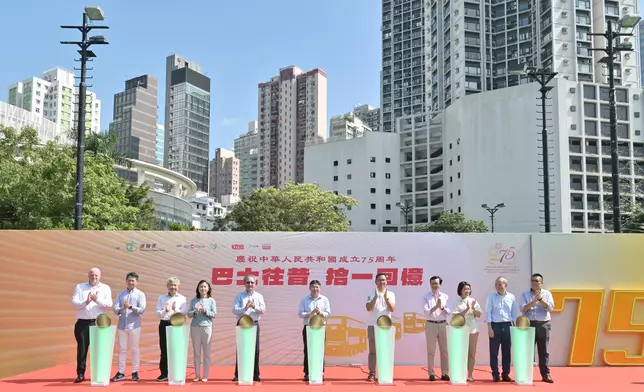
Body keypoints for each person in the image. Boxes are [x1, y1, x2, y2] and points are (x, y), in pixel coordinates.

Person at [71, 268, 113, 383]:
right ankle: (80, 374)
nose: (94, 277)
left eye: (96, 275)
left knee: (99, 349)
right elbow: (74, 302)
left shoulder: (105, 287)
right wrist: (86, 302)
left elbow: (109, 304)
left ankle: (99, 374)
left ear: (100, 276)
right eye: (92, 275)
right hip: (83, 322)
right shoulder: (80, 287)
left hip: (99, 322)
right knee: (82, 349)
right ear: (88, 275)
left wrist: (97, 300)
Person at [111, 272, 146, 382]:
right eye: (129, 280)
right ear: (126, 281)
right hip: (122, 325)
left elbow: (142, 309)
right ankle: (121, 372)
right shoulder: (121, 294)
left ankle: (135, 372)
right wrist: (123, 308)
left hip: (134, 326)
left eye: (133, 280)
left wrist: (130, 307)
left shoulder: (140, 294)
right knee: (122, 349)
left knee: (134, 348)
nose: (131, 282)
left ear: (137, 282)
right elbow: (115, 309)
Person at [520, 273, 554, 383]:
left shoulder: (547, 294)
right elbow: (523, 309)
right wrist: (534, 301)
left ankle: (545, 374)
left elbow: (550, 308)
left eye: (537, 281)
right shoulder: (525, 294)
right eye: (532, 280)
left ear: (541, 283)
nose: (534, 283)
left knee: (543, 351)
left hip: (543, 324)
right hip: (529, 324)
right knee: (528, 351)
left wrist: (541, 300)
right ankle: (525, 375)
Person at [232, 274, 266, 382]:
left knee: (255, 350)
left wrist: (254, 306)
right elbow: (235, 310)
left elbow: (263, 310)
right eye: (248, 282)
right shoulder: (239, 296)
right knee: (241, 349)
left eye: (252, 282)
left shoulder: (259, 296)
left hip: (254, 323)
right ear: (244, 283)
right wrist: (245, 307)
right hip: (242, 323)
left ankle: (255, 375)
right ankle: (238, 374)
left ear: (255, 283)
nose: (250, 284)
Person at [485, 276, 517, 382]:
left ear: (506, 285)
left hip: (507, 325)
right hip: (495, 325)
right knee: (494, 351)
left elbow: (513, 314)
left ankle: (505, 374)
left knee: (506, 351)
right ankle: (495, 374)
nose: (498, 286)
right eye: (496, 284)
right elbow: (488, 313)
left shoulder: (511, 297)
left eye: (500, 284)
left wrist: (515, 328)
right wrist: (490, 328)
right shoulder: (491, 297)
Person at [298, 280, 331, 381]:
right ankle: (307, 373)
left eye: (317, 287)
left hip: (320, 328)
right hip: (308, 327)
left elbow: (328, 313)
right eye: (313, 287)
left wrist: (321, 313)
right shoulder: (304, 299)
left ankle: (320, 372)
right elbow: (300, 314)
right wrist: (310, 313)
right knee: (308, 350)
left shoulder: (324, 299)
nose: (315, 289)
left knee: (319, 351)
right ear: (309, 288)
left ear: (320, 288)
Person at [155, 277, 187, 382]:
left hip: (177, 324)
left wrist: (175, 309)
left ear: (178, 286)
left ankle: (177, 373)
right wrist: (166, 310)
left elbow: (184, 314)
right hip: (164, 323)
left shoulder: (182, 298)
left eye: (175, 285)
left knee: (176, 349)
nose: (173, 287)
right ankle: (164, 373)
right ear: (167, 286)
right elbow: (157, 313)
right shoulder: (162, 298)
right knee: (164, 349)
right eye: (171, 285)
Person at [365, 272, 396, 382]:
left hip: (385, 326)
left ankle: (384, 372)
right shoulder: (370, 293)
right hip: (372, 325)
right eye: (379, 280)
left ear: (386, 282)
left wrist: (386, 298)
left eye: (383, 280)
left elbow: (392, 309)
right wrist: (375, 297)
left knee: (384, 350)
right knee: (373, 351)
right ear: (375, 282)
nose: (381, 282)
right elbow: (368, 308)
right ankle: (372, 373)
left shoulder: (391, 294)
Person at [422, 275, 451, 381]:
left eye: (437, 283)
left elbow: (449, 311)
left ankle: (445, 373)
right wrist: (436, 307)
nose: (435, 285)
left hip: (443, 324)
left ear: (440, 284)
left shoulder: (445, 296)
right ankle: (431, 373)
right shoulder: (426, 296)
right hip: (431, 324)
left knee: (444, 351)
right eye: (433, 283)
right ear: (430, 284)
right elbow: (426, 312)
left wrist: (442, 307)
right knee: (431, 351)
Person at [188, 280, 217, 382]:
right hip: (195, 327)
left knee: (207, 352)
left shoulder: (211, 301)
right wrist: (194, 312)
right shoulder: (193, 300)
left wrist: (206, 311)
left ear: (208, 288)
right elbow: (189, 314)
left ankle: (205, 375)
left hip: (207, 327)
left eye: (205, 287)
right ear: (198, 288)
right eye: (201, 287)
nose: (203, 289)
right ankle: (197, 375)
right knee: (196, 352)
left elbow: (214, 314)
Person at [454, 281, 482, 382]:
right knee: (461, 353)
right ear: (460, 290)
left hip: (473, 330)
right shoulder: (457, 301)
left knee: (471, 354)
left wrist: (473, 308)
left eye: (468, 289)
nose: (467, 291)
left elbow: (479, 314)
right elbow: (456, 317)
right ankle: (460, 374)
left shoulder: (473, 300)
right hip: (461, 331)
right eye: (465, 289)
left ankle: (470, 374)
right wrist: (467, 309)